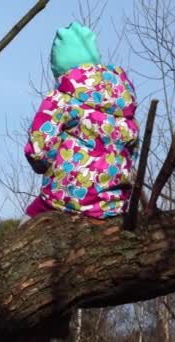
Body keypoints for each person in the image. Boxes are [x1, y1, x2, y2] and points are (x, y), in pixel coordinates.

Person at [24, 22, 140, 220]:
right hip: (114, 205)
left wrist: (46, 163)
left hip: (67, 198)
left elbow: (39, 151)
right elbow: (133, 152)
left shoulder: (60, 100)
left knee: (26, 224)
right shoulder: (123, 105)